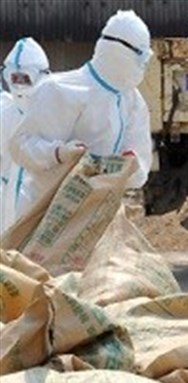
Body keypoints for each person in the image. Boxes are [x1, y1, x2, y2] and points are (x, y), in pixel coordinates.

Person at [9, 10, 153, 217]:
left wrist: (131, 165)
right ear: (118, 51)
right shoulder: (60, 90)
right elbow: (20, 146)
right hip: (46, 213)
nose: (143, 65)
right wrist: (58, 153)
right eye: (141, 56)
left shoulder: (132, 101)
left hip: (96, 216)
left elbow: (140, 162)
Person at [0, 37, 50, 233]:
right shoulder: (5, 111)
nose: (19, 85)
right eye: (15, 78)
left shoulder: (54, 112)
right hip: (6, 195)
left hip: (38, 196)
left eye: (25, 78)